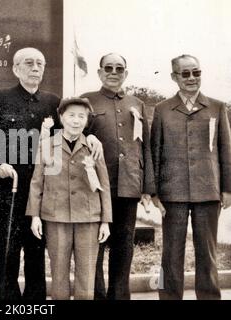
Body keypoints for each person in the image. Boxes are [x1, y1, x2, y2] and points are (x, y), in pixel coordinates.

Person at [0, 47, 103, 300]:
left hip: (43, 191)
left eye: (40, 63)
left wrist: (90, 136)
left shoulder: (52, 102)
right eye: (29, 63)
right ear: (15, 69)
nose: (35, 68)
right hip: (8, 189)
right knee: (8, 252)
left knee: (36, 250)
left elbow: (72, 130)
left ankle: (35, 302)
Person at [151, 54, 231, 300]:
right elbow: (155, 150)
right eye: (185, 73)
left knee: (207, 252)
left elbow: (226, 149)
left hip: (208, 191)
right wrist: (154, 191)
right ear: (174, 77)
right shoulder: (162, 109)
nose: (191, 78)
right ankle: (168, 297)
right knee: (170, 252)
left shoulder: (217, 107)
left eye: (196, 72)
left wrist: (227, 188)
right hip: (172, 193)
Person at [81, 53, 155, 300]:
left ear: (126, 73)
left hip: (128, 186)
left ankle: (120, 296)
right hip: (96, 187)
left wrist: (147, 187)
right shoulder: (86, 101)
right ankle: (96, 296)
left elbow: (145, 147)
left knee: (123, 246)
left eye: (119, 68)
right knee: (96, 245)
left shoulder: (137, 104)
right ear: (100, 72)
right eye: (109, 68)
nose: (114, 72)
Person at [26, 97, 112, 300]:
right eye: (71, 115)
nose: (76, 121)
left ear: (87, 120)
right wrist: (35, 216)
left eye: (81, 116)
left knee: (87, 275)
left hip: (89, 218)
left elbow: (104, 185)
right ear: (61, 117)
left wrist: (105, 221)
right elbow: (37, 182)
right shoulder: (47, 145)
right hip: (56, 218)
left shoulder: (93, 146)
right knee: (59, 274)